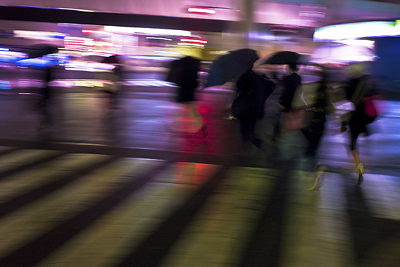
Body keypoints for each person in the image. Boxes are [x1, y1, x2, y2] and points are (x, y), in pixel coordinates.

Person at [340, 63, 376, 185]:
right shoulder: (367, 82)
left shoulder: (348, 84)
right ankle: (365, 161)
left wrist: (343, 122)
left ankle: (358, 165)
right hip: (364, 116)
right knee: (362, 136)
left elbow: (345, 104)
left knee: (352, 142)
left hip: (353, 117)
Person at [301, 70, 332, 189]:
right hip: (322, 123)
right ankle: (316, 171)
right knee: (312, 148)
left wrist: (310, 110)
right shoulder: (328, 90)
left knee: (310, 150)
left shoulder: (318, 89)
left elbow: (312, 103)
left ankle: (318, 169)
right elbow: (328, 108)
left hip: (314, 122)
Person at [233, 69, 275, 148]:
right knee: (251, 125)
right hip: (255, 106)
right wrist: (264, 97)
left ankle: (247, 140)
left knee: (243, 125)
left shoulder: (243, 77)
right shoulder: (259, 77)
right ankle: (252, 140)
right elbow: (271, 86)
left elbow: (238, 89)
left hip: (244, 105)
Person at [167, 56, 207, 137]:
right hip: (189, 93)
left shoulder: (183, 72)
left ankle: (173, 126)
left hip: (184, 93)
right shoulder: (193, 72)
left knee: (183, 111)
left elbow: (179, 82)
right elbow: (196, 84)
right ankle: (201, 125)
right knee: (192, 111)